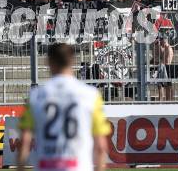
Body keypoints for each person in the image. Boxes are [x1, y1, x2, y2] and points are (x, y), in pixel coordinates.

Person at [17, 43, 110, 171]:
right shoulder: (91, 95)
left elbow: (24, 141)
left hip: (46, 166)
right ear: (72, 61)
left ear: (48, 61)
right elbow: (100, 146)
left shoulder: (36, 96)